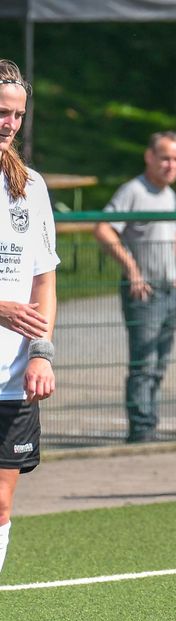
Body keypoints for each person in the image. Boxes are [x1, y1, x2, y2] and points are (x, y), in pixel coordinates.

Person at [0, 60, 59, 576]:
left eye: (16, 114)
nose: (9, 123)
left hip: (12, 379)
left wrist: (41, 354)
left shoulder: (30, 186)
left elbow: (44, 280)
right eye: (1, 111)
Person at [94, 131, 176, 443]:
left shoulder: (168, 193)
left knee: (160, 362)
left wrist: (174, 270)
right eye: (165, 158)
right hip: (143, 293)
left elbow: (174, 232)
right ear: (149, 157)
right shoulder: (134, 190)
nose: (170, 165)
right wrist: (132, 269)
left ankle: (149, 423)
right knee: (144, 363)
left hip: (168, 289)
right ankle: (141, 430)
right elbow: (104, 229)